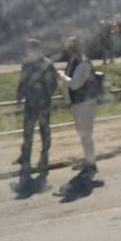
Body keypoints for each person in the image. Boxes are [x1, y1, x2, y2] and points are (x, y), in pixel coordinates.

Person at [15, 39, 57, 196]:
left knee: (44, 130)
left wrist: (45, 97)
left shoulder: (46, 63)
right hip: (30, 103)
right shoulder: (27, 64)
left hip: (43, 103)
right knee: (27, 130)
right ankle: (25, 157)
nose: (27, 51)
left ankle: (44, 156)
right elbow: (23, 81)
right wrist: (19, 95)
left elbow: (52, 84)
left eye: (29, 48)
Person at [57, 37, 98, 175]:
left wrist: (62, 76)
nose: (68, 51)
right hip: (78, 103)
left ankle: (91, 164)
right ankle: (88, 160)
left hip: (85, 103)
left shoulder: (83, 64)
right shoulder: (75, 61)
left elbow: (74, 84)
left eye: (70, 48)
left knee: (86, 135)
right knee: (83, 134)